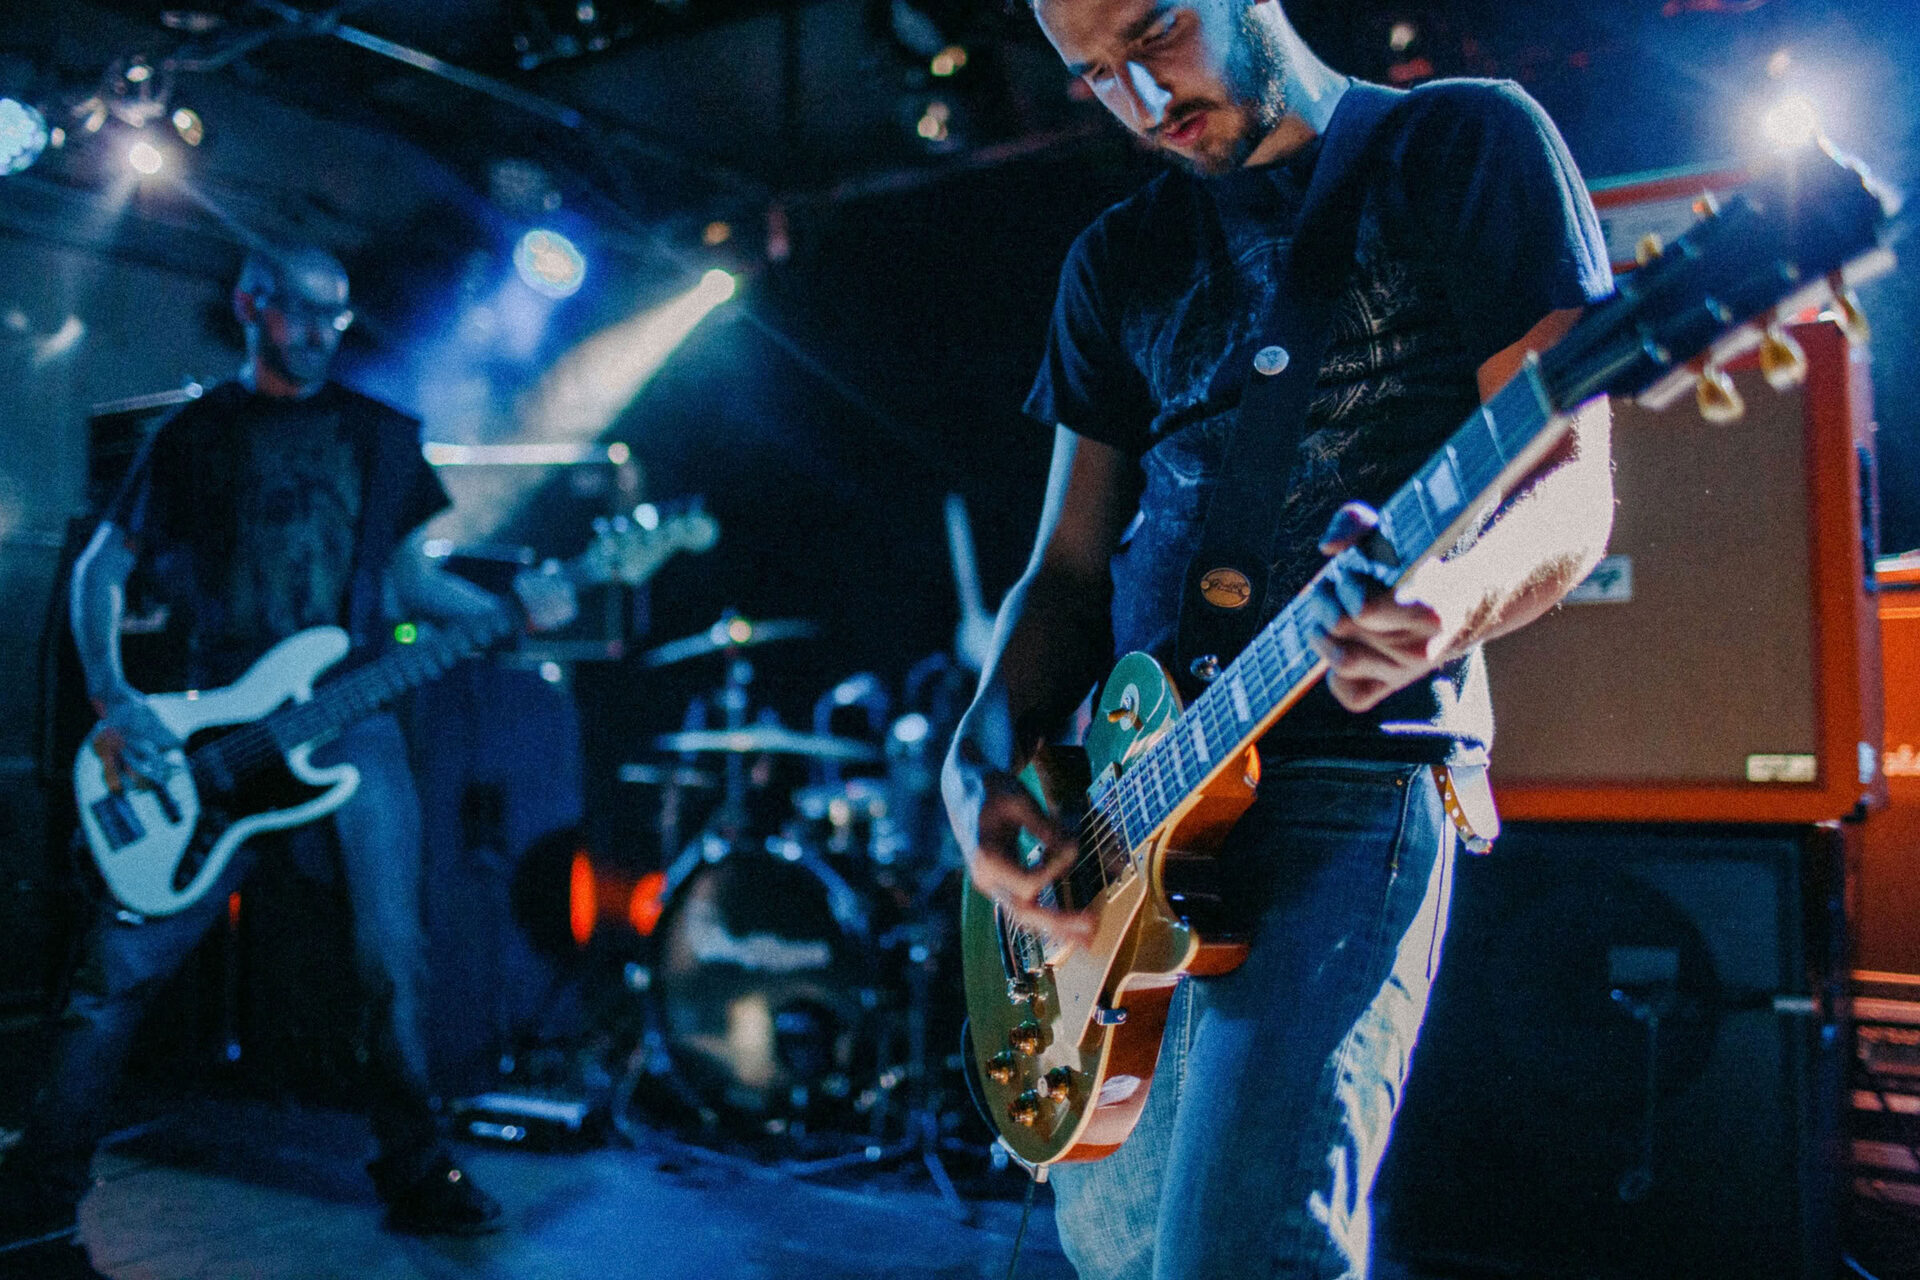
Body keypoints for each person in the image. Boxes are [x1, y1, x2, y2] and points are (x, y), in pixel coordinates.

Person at [940, 0, 1616, 1275]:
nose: (1141, 103)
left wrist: (1442, 609)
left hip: (1349, 781)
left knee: (1245, 1257)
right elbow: (1069, 570)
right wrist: (973, 763)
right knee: (1129, 1260)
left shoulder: (1462, 147)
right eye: (1094, 78)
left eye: (1154, 37)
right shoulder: (1117, 256)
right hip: (1130, 816)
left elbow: (1571, 487)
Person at [0, 246, 576, 1279]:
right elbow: (100, 565)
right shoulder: (193, 432)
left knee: (394, 953)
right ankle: (37, 1192)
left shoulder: (380, 435)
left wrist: (513, 608)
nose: (319, 330)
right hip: (216, 736)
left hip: (350, 717)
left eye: (336, 314)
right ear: (252, 305)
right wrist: (116, 694)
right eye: (301, 310)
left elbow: (406, 585)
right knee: (117, 964)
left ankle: (415, 1167)